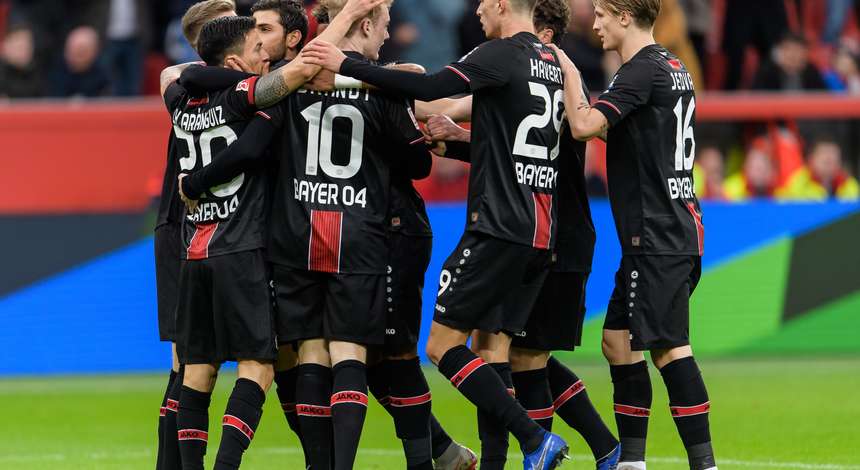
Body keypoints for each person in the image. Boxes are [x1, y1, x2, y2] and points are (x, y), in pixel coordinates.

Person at [301, 1, 573, 468]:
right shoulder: (549, 63)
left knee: (441, 346)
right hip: (539, 229)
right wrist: (459, 138)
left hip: (497, 226)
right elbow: (505, 138)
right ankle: (498, 460)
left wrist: (346, 66)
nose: (479, 11)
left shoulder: (500, 53)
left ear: (504, 5)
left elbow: (430, 86)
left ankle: (533, 438)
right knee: (493, 350)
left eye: (484, 2)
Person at [419, 2, 623, 469]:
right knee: (504, 351)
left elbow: (459, 112)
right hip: (545, 232)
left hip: (553, 234)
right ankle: (596, 446)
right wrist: (449, 133)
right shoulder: (551, 83)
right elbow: (497, 141)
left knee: (523, 358)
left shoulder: (557, 82)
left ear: (544, 36)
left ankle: (570, 446)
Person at [550, 0, 716, 468]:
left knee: (668, 348)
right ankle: (631, 461)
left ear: (624, 15)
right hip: (669, 229)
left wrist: (566, 69)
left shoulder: (638, 71)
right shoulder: (672, 64)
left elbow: (584, 126)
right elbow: (635, 135)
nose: (594, 23)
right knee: (618, 342)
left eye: (601, 14)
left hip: (658, 234)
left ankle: (706, 465)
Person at [165, 16, 276, 470]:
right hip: (241, 246)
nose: (265, 55)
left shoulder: (181, 105)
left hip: (195, 252)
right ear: (234, 61)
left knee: (198, 370)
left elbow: (173, 76)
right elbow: (250, 149)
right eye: (256, 47)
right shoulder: (249, 99)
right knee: (257, 366)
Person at [153, 3, 237, 470]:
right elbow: (172, 73)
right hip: (182, 224)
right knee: (186, 360)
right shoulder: (182, 82)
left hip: (232, 226)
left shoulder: (242, 82)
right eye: (231, 21)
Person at [751, 32, 827, 92]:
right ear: (779, 51)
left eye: (797, 50)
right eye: (788, 49)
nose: (792, 55)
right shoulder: (768, 71)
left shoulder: (812, 72)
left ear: (805, 53)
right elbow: (757, 98)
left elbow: (822, 98)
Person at [49, 25, 110, 97]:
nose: (74, 55)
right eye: (71, 49)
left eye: (81, 51)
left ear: (94, 51)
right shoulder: (55, 72)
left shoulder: (105, 75)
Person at [0, 23, 43, 98]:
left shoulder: (38, 73)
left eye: (28, 44)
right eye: (19, 44)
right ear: (5, 45)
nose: (24, 49)